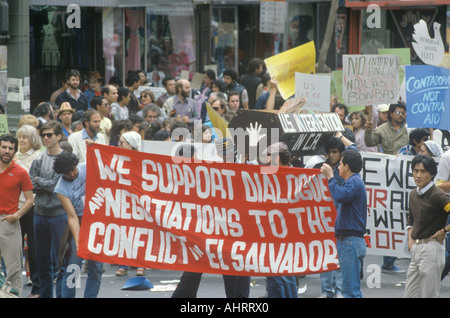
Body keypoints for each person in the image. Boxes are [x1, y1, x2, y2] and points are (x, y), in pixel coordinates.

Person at [53, 151, 103, 298]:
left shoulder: (85, 167)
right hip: (79, 222)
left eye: (74, 169)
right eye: (68, 173)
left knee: (96, 268)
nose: (73, 173)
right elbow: (72, 216)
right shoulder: (60, 189)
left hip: (96, 221)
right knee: (73, 268)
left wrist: (94, 148)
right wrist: (79, 241)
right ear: (62, 173)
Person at [320, 149, 367, 298]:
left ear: (347, 166)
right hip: (349, 241)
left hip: (350, 241)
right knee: (350, 289)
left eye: (340, 164)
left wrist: (330, 178)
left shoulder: (354, 181)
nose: (338, 167)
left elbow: (340, 195)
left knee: (350, 291)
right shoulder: (353, 182)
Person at [404, 155, 450, 298]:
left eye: (423, 171)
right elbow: (411, 220)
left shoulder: (437, 195)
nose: (418, 175)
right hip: (416, 250)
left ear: (432, 174)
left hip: (432, 249)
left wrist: (444, 231)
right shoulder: (413, 194)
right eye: (415, 170)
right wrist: (411, 240)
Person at [29, 120, 66, 298]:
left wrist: (38, 180)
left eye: (49, 135)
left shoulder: (64, 158)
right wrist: (39, 183)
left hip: (59, 214)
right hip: (39, 213)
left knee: (61, 262)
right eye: (43, 135)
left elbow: (54, 186)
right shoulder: (38, 158)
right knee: (42, 262)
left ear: (58, 136)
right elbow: (30, 185)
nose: (45, 138)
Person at [259, 142, 298, 298]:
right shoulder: (269, 174)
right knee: (275, 272)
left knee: (282, 273)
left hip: (285, 231)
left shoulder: (293, 176)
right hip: (271, 230)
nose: (266, 160)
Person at [0, 134, 34, 297]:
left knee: (13, 269)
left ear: (15, 151)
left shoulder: (21, 172)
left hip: (9, 222)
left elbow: (30, 199)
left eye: (10, 148)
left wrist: (17, 215)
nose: (7, 151)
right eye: (4, 147)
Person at [14, 125, 42, 298]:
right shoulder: (14, 157)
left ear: (32, 139)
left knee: (34, 248)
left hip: (33, 206)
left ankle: (37, 288)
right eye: (20, 137)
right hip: (14, 207)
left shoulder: (39, 157)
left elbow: (33, 181)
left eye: (25, 137)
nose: (21, 140)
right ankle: (13, 287)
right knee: (14, 249)